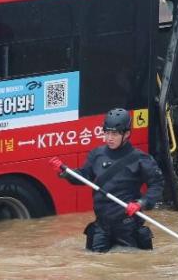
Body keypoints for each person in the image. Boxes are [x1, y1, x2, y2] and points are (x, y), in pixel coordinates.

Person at [50, 108, 164, 252]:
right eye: (106, 132)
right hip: (101, 226)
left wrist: (141, 203)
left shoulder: (141, 159)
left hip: (127, 226)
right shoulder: (96, 155)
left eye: (114, 134)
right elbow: (84, 177)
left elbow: (157, 185)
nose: (109, 138)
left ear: (127, 134)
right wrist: (65, 172)